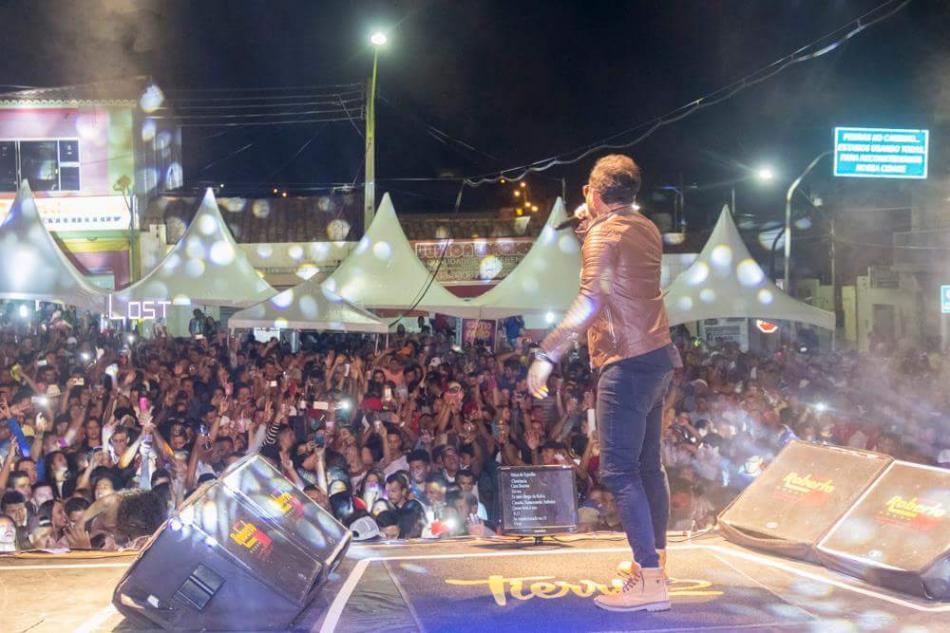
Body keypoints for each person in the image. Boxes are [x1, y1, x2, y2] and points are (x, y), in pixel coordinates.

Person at [529, 154, 679, 613]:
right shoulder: (644, 227)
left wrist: (547, 353)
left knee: (618, 471)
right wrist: (587, 226)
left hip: (626, 362)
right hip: (657, 357)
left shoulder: (604, 233)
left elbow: (592, 295)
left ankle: (650, 582)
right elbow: (613, 268)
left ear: (593, 192)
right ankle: (655, 565)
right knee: (649, 467)